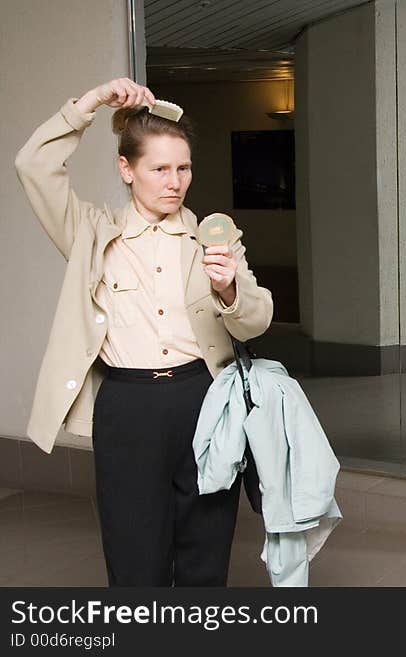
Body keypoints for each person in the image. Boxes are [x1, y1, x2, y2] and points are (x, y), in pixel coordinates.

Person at [14, 78, 274, 586]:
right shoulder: (90, 233)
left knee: (206, 550)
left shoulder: (214, 237)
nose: (173, 182)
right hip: (127, 408)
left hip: (205, 399)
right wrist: (87, 105)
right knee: (134, 555)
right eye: (158, 169)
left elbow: (258, 318)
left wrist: (228, 291)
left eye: (183, 168)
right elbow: (33, 167)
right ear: (126, 170)